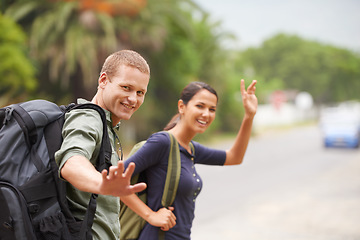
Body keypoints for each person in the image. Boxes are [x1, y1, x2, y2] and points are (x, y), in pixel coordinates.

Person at [121, 79, 258, 239]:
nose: (206, 114)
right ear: (182, 107)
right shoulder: (163, 143)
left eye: (212, 109)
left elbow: (234, 157)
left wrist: (249, 116)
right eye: (200, 106)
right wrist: (151, 215)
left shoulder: (191, 148)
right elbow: (116, 181)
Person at [55, 50, 149, 240]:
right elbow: (71, 162)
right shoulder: (88, 118)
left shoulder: (107, 126)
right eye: (126, 87)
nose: (133, 98)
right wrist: (102, 184)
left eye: (140, 92)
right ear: (103, 80)